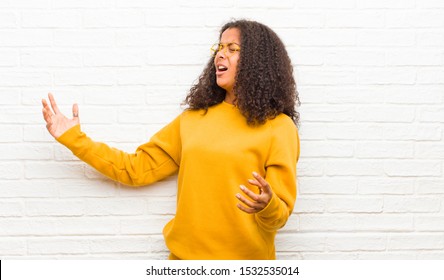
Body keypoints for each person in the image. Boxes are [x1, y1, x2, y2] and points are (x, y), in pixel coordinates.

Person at [42, 19, 300, 260]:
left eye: (232, 49)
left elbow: (279, 216)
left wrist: (267, 205)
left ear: (258, 62)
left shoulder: (279, 128)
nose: (220, 55)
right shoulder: (192, 120)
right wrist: (73, 138)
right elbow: (134, 169)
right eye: (219, 48)